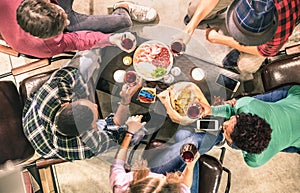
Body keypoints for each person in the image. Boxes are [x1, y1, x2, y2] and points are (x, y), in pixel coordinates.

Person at [22, 62, 143, 160]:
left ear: (65, 105)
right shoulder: (90, 145)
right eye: (95, 122)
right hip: (45, 148)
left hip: (29, 123)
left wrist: (84, 86)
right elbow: (117, 125)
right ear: (84, 132)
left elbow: (73, 73)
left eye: (87, 102)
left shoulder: (55, 89)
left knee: (86, 62)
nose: (96, 105)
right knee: (137, 134)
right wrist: (125, 101)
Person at [0, 0, 157, 58]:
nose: (67, 20)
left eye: (63, 16)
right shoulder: (45, 46)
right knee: (121, 23)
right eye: (63, 25)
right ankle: (123, 7)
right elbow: (76, 40)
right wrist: (108, 39)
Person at [196, 85, 300, 167]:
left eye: (225, 128)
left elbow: (232, 112)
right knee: (236, 103)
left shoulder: (254, 160)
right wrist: (211, 110)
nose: (224, 123)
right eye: (233, 119)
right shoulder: (246, 104)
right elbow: (231, 109)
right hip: (297, 96)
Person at [110, 115, 201, 193]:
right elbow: (185, 186)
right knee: (191, 139)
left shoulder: (121, 186)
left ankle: (188, 125)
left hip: (151, 180)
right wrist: (190, 167)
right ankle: (214, 134)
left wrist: (130, 133)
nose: (164, 176)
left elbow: (117, 163)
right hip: (180, 186)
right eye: (164, 179)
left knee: (183, 134)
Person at [205, 0, 300, 73]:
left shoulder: (279, 32)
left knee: (245, 65)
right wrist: (194, 21)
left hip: (295, 18)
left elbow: (263, 51)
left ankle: (239, 52)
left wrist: (220, 39)